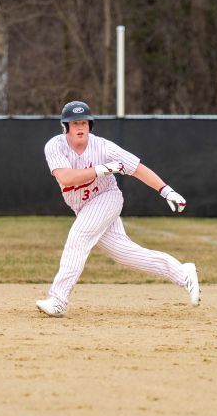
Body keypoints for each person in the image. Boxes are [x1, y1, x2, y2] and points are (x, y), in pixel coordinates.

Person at [35, 100, 200, 317]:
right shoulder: (55, 146)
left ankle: (58, 300)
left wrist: (166, 191)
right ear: (65, 126)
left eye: (84, 122)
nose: (80, 127)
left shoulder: (103, 147)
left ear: (90, 125)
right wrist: (100, 169)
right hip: (83, 207)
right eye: (74, 123)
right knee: (126, 254)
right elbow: (65, 178)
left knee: (78, 236)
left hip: (107, 198)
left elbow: (137, 168)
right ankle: (182, 272)